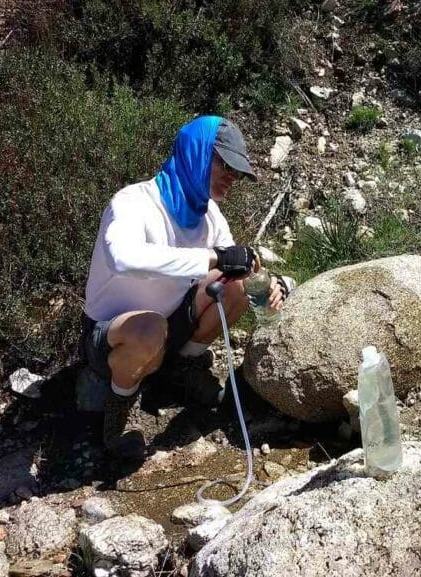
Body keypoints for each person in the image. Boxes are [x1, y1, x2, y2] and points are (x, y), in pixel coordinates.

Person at [78, 116, 288, 462]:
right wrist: (210, 257)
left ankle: (179, 372)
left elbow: (234, 267)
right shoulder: (134, 203)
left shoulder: (209, 216)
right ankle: (116, 419)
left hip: (170, 324)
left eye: (237, 171)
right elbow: (123, 258)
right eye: (225, 165)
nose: (232, 178)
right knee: (148, 327)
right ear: (197, 154)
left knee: (233, 285)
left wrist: (270, 284)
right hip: (112, 335)